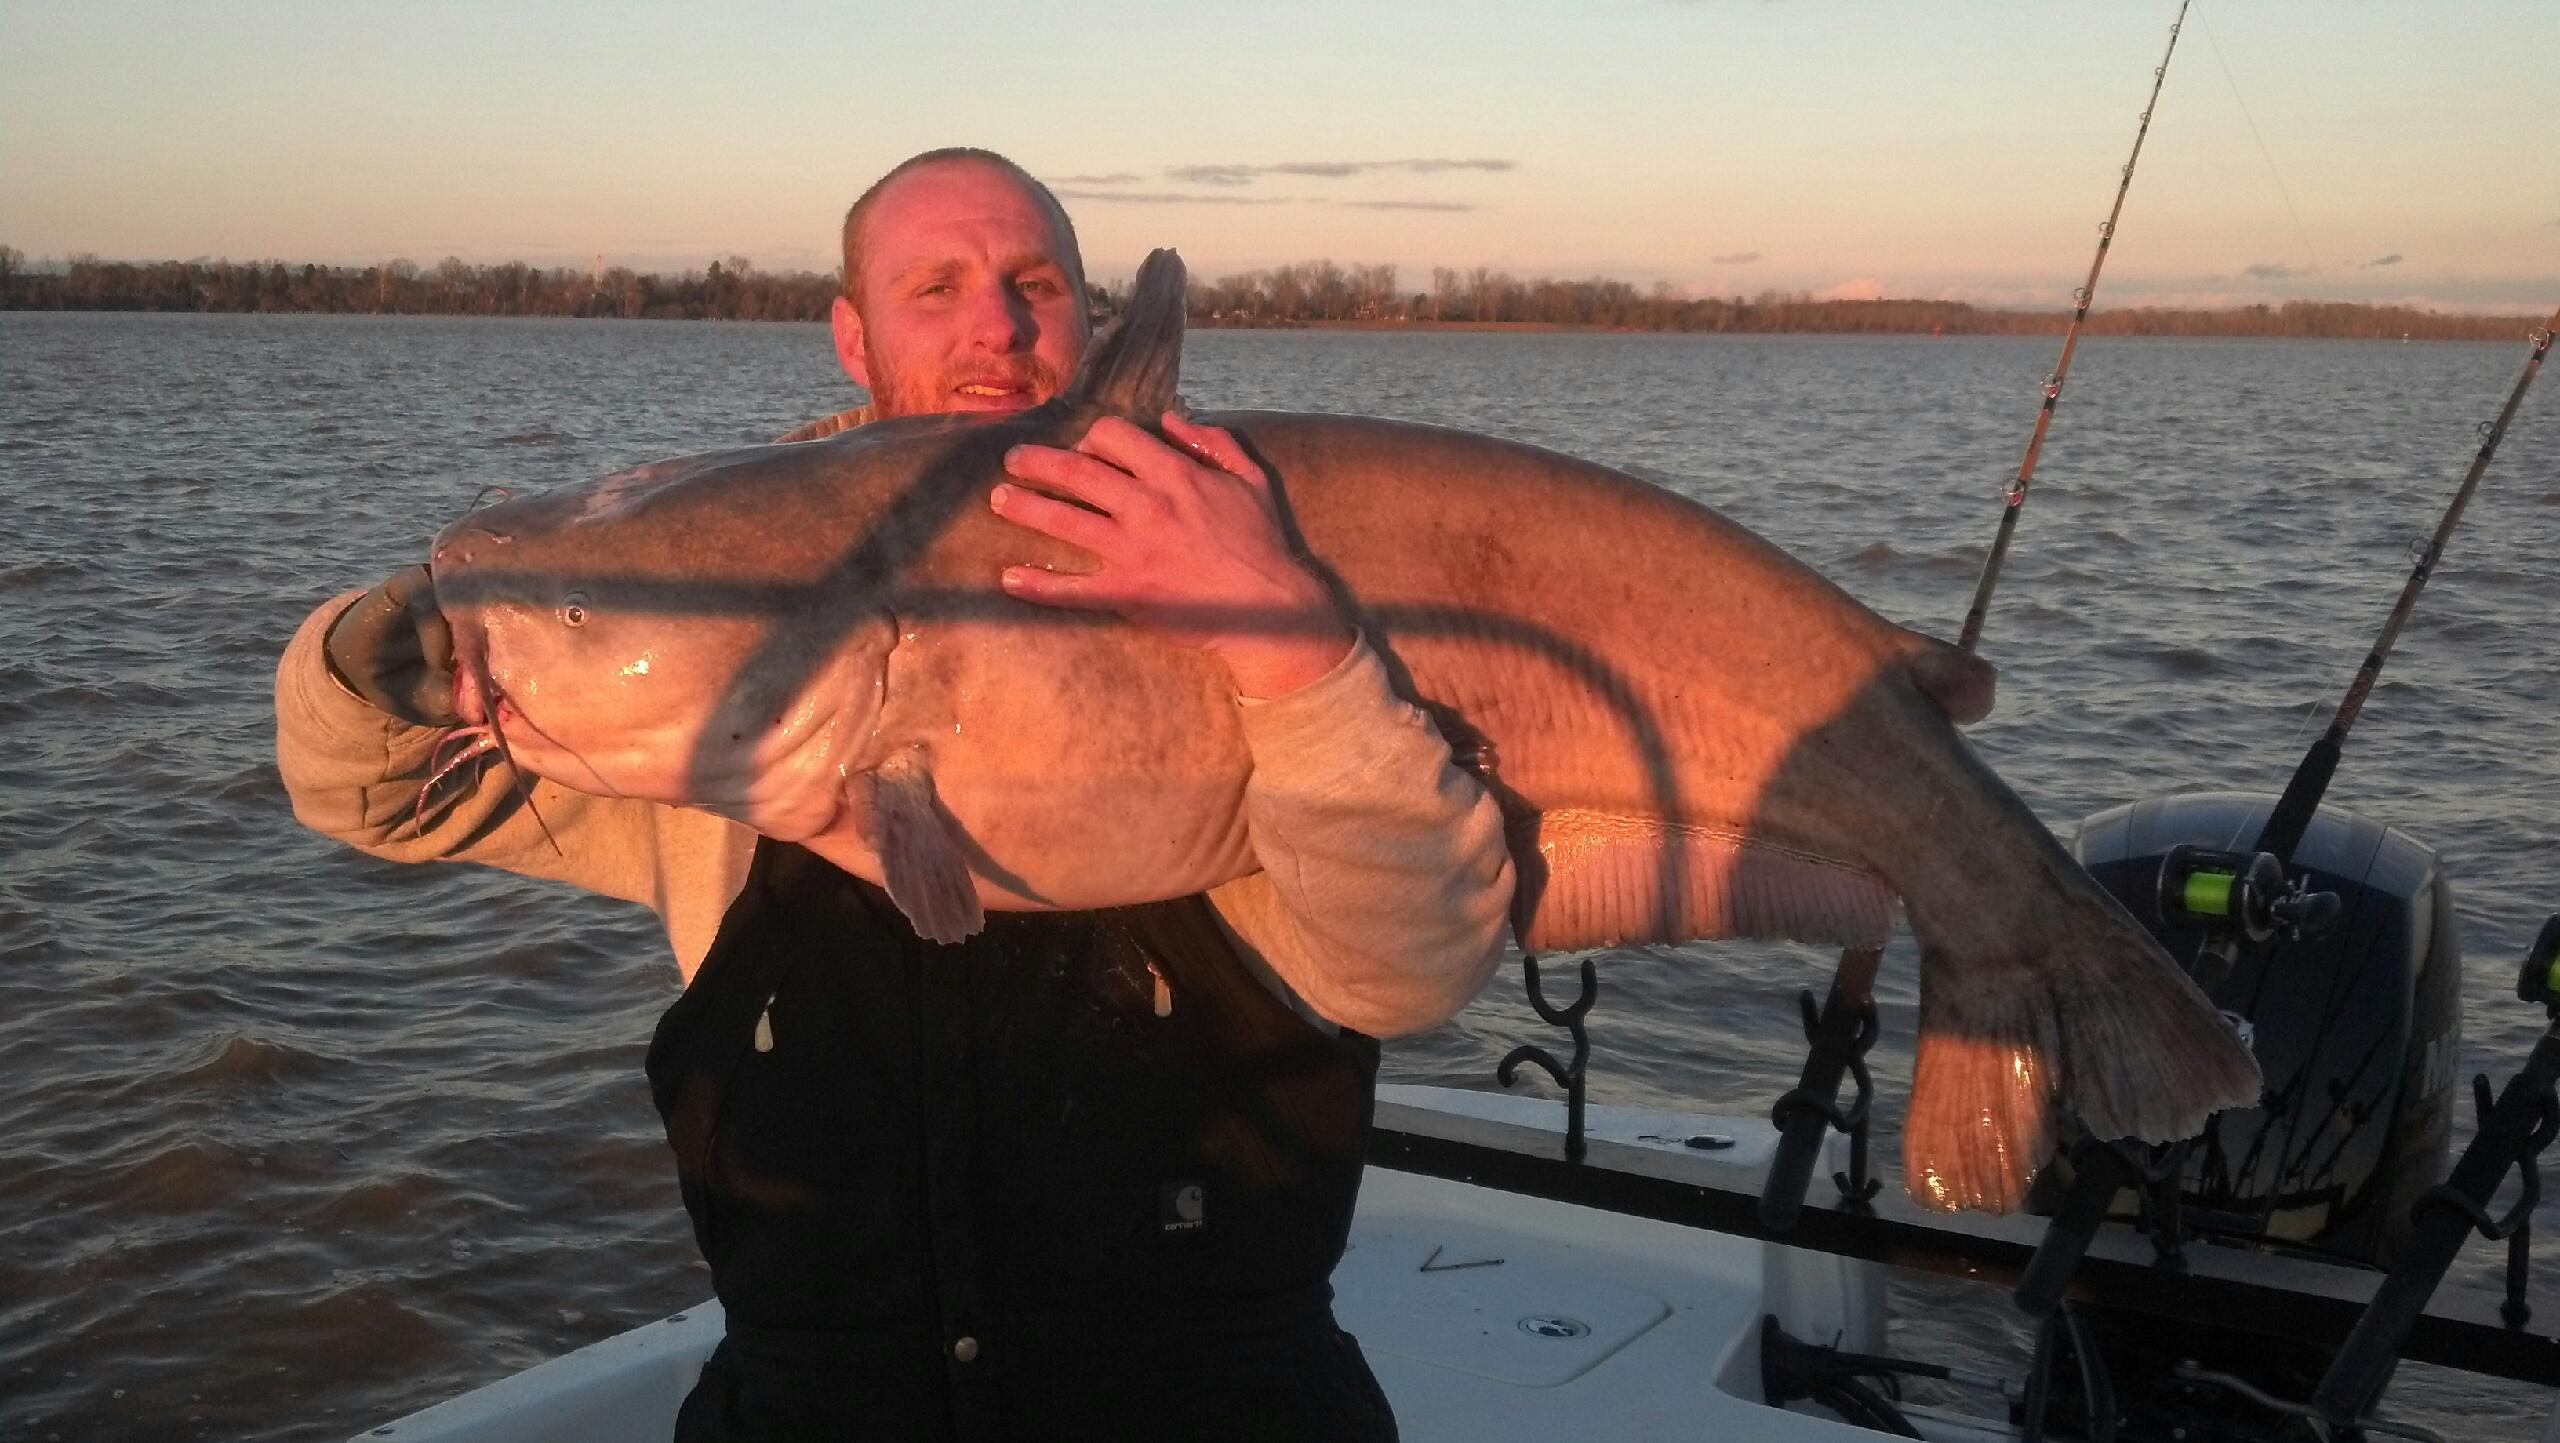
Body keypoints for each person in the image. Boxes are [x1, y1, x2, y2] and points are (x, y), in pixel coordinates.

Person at [275, 146, 1515, 1441]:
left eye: (1035, 283)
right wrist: (385, 653)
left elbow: (1410, 972)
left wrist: (1299, 652)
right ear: (851, 339)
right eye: (938, 287)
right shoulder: (717, 659)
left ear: (1092, 325)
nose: (996, 323)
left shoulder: (1266, 572)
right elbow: (369, 793)